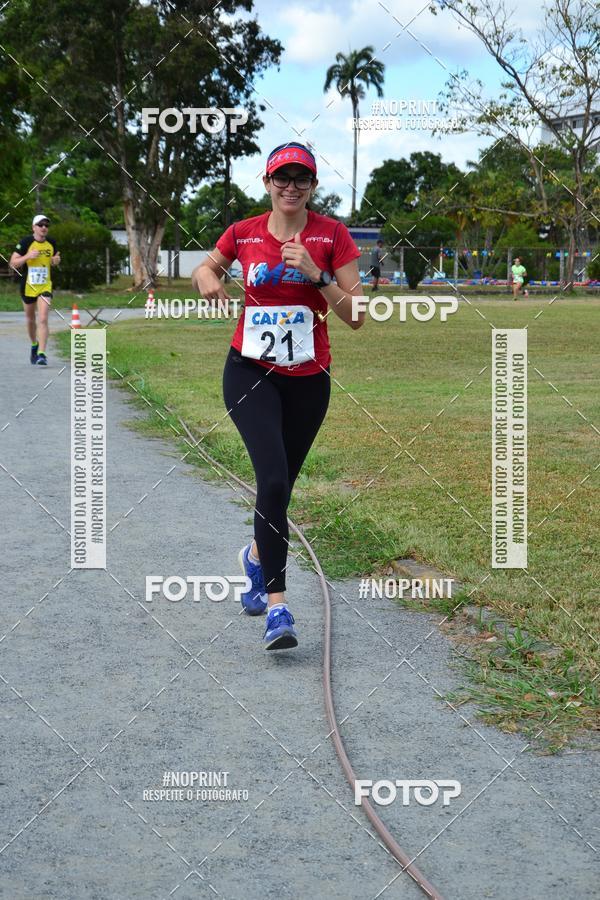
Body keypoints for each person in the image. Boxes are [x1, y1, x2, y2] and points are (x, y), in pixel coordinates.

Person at [192, 142, 365, 650]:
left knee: (279, 490)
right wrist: (207, 280)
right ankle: (279, 608)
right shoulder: (243, 232)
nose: (291, 186)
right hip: (249, 372)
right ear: (267, 182)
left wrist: (319, 276)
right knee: (270, 478)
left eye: (301, 178)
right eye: (281, 177)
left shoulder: (332, 235)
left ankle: (253, 556)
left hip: (309, 379)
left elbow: (357, 315)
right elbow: (206, 268)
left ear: (313, 185)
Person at [9, 214, 60, 365]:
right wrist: (27, 256)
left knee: (43, 318)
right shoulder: (26, 242)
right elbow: (13, 263)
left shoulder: (51, 242)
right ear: (34, 227)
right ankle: (34, 345)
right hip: (28, 286)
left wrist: (56, 261)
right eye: (40, 225)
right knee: (30, 319)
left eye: (46, 225)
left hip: (45, 286)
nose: (44, 227)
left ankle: (42, 354)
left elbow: (55, 259)